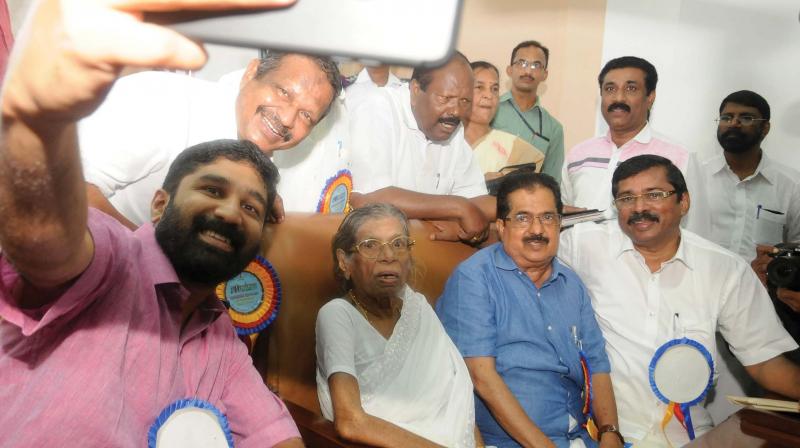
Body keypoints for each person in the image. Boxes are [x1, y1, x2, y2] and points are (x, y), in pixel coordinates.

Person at [0, 1, 304, 446]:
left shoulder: (221, 341)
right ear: (159, 205)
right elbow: (41, 236)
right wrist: (38, 118)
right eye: (213, 191)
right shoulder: (108, 260)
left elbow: (274, 436)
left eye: (251, 208)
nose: (228, 212)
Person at [558, 155, 800, 446]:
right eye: (626, 198)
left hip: (688, 437)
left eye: (654, 195)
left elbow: (765, 364)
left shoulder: (724, 270)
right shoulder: (584, 245)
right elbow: (514, 237)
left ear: (683, 202)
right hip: (602, 434)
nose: (639, 208)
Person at [436, 173, 621, 448]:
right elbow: (481, 377)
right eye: (523, 218)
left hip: (578, 438)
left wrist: (609, 432)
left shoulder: (572, 285)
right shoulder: (475, 279)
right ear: (501, 227)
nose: (537, 229)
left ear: (559, 224)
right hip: (506, 442)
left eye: (548, 217)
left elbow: (597, 365)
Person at [81, 49, 346, 229]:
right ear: (251, 73)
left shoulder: (259, 157)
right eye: (283, 92)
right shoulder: (162, 102)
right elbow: (70, 192)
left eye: (306, 116)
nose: (288, 118)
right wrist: (151, 262)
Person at [315, 203, 478, 447]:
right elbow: (350, 421)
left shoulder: (418, 308)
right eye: (370, 245)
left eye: (398, 244)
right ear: (344, 261)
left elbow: (457, 402)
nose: (389, 256)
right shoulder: (337, 315)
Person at [348, 52, 494, 244]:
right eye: (445, 98)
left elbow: (477, 199)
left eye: (464, 101)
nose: (456, 111)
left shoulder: (452, 128)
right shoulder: (376, 107)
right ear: (415, 90)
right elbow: (371, 199)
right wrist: (458, 207)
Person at [560, 56, 707, 233]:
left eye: (631, 88)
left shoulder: (678, 156)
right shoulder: (579, 153)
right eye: (610, 89)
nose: (618, 97)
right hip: (576, 258)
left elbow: (696, 232)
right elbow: (562, 213)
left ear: (650, 97)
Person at [697, 90, 800, 262]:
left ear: (765, 128)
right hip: (701, 283)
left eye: (746, 118)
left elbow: (797, 249)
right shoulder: (696, 177)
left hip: (763, 287)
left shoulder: (792, 185)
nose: (734, 124)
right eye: (726, 118)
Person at [491, 40, 565, 181]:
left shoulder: (553, 128)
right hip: (482, 196)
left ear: (545, 74)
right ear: (509, 70)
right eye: (521, 63)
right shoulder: (490, 109)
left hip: (527, 200)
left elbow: (552, 181)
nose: (528, 71)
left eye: (536, 65)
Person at [464, 61, 544, 180]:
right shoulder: (444, 140)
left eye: (494, 89)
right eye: (479, 87)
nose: (489, 95)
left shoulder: (513, 146)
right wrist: (478, 183)